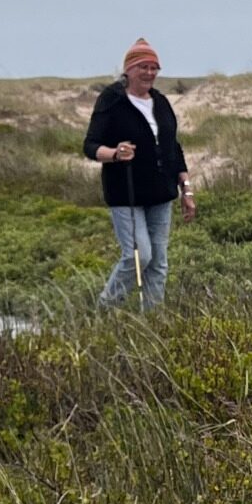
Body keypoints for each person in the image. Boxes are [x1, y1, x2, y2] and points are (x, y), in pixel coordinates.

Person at [83, 39, 195, 309]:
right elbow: (90, 146)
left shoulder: (161, 102)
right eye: (142, 67)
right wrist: (115, 153)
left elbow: (173, 147)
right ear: (129, 70)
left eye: (154, 67)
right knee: (139, 256)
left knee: (158, 261)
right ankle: (104, 309)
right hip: (126, 192)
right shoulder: (112, 100)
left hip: (161, 192)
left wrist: (186, 188)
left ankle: (153, 321)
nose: (149, 73)